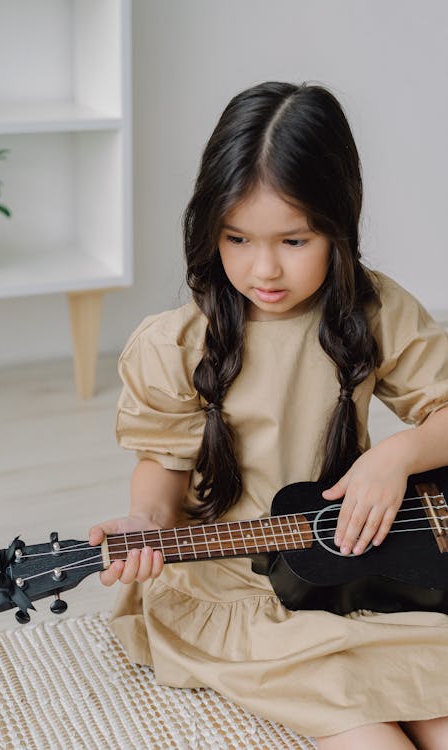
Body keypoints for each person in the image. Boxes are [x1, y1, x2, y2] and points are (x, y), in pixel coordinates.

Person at [89, 82, 448, 748]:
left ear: (338, 225)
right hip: (233, 589)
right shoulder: (174, 343)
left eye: (294, 240)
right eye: (237, 238)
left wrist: (396, 456)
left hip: (352, 564)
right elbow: (162, 469)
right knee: (373, 733)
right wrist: (146, 522)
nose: (263, 268)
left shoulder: (373, 311)